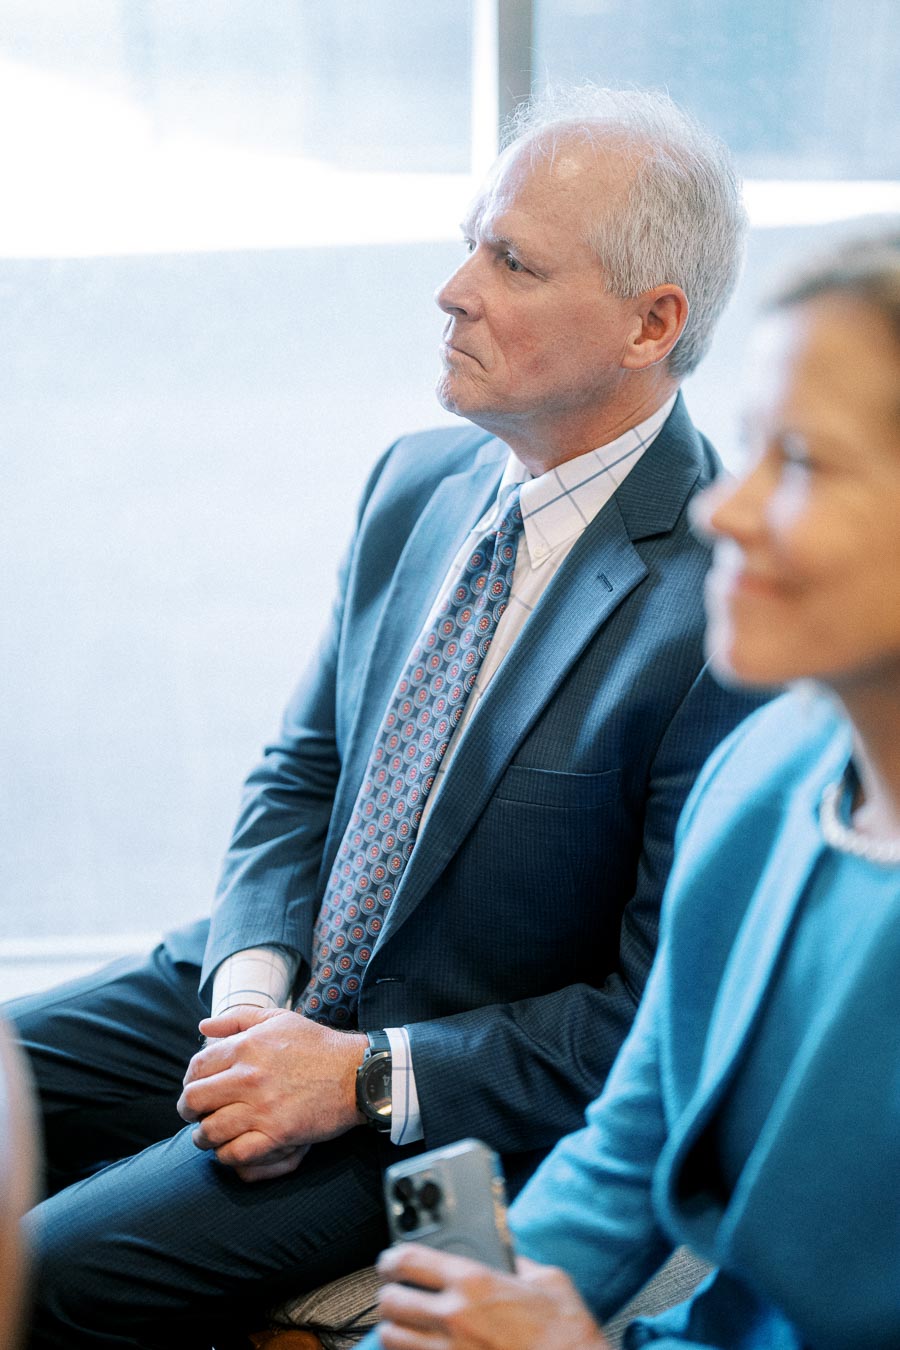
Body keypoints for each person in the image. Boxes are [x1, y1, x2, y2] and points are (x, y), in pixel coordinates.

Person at [9, 86, 762, 1349]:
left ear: (652, 323)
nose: (453, 287)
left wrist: (353, 1075)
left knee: (46, 1273)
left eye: (510, 260)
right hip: (262, 979)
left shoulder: (722, 612)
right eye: (473, 239)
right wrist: (252, 995)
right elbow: (300, 773)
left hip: (442, 1108)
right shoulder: (417, 480)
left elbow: (649, 1026)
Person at [368, 232, 900, 1350]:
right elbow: (627, 1148)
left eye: (801, 462)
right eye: (749, 450)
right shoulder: (766, 781)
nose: (724, 512)